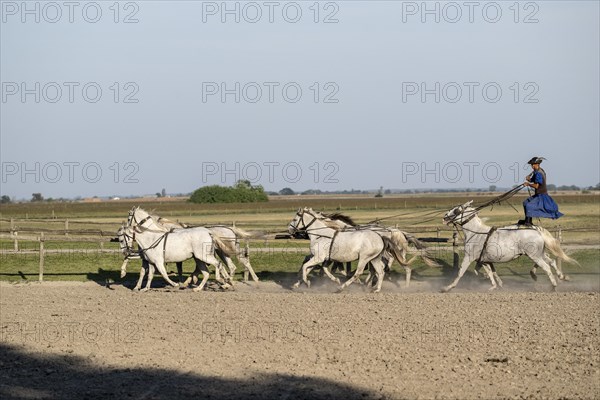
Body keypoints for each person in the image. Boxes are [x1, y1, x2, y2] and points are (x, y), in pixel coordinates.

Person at [518, 157, 563, 226]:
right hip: (538, 195)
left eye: (533, 164)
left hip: (542, 196)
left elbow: (536, 186)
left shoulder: (539, 173)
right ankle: (528, 220)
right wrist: (529, 179)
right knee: (525, 203)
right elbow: (534, 180)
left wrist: (528, 184)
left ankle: (528, 223)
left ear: (538, 164)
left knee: (528, 205)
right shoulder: (537, 171)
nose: (532, 166)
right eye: (531, 165)